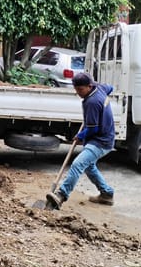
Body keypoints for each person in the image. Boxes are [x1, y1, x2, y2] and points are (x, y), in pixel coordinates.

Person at [46, 72, 115, 209]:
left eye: (80, 90)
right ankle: (107, 194)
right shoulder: (100, 88)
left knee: (78, 164)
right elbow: (110, 88)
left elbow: (93, 129)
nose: (78, 93)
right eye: (76, 89)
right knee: (89, 166)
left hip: (100, 141)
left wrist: (80, 136)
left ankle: (61, 195)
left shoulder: (92, 102)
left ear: (89, 86)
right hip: (105, 137)